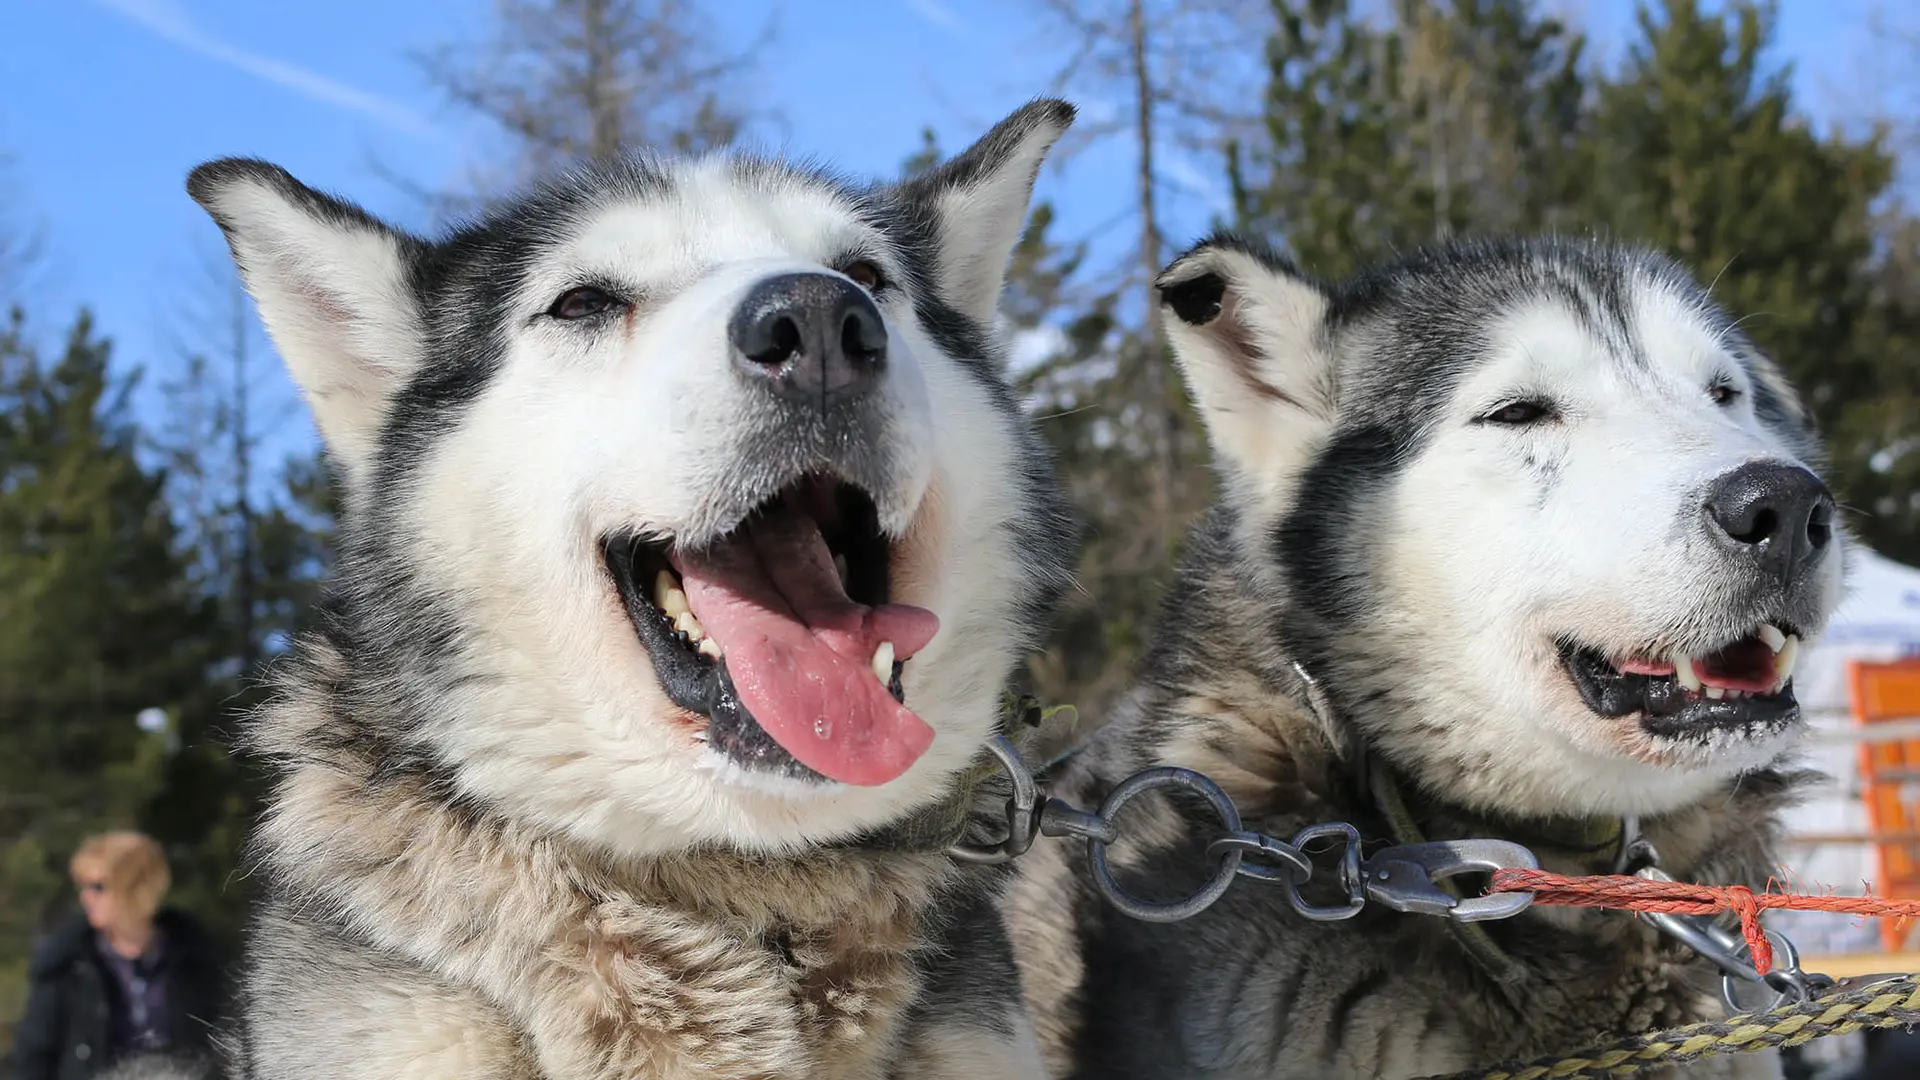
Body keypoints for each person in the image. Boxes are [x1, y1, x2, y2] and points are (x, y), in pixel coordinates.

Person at [11, 832, 224, 1080]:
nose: (86, 897)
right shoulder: (67, 964)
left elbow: (222, 1042)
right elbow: (32, 1059)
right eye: (83, 886)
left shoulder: (196, 957)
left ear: (137, 889)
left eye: (98, 887)